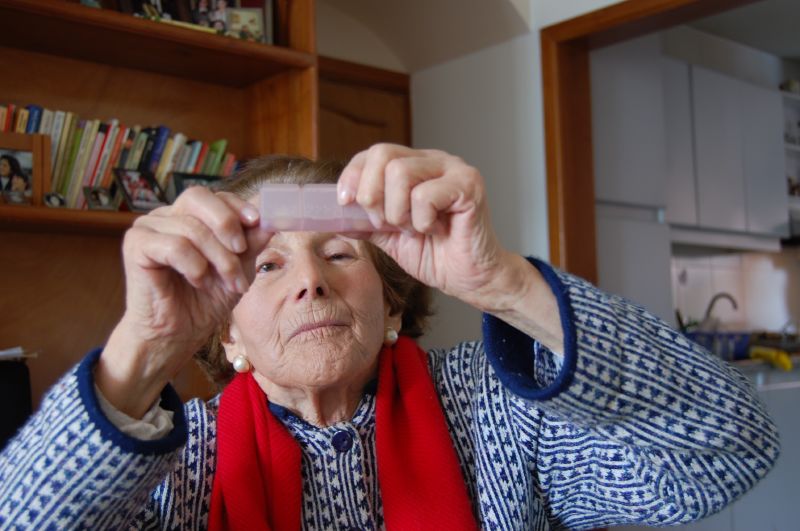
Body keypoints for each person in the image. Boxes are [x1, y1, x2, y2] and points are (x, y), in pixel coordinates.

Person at [0, 145, 780, 529]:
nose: (311, 280)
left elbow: (726, 451)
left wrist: (502, 281)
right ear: (226, 335)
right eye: (267, 266)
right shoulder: (179, 463)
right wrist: (140, 347)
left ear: (395, 305)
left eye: (340, 252)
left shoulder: (497, 409)